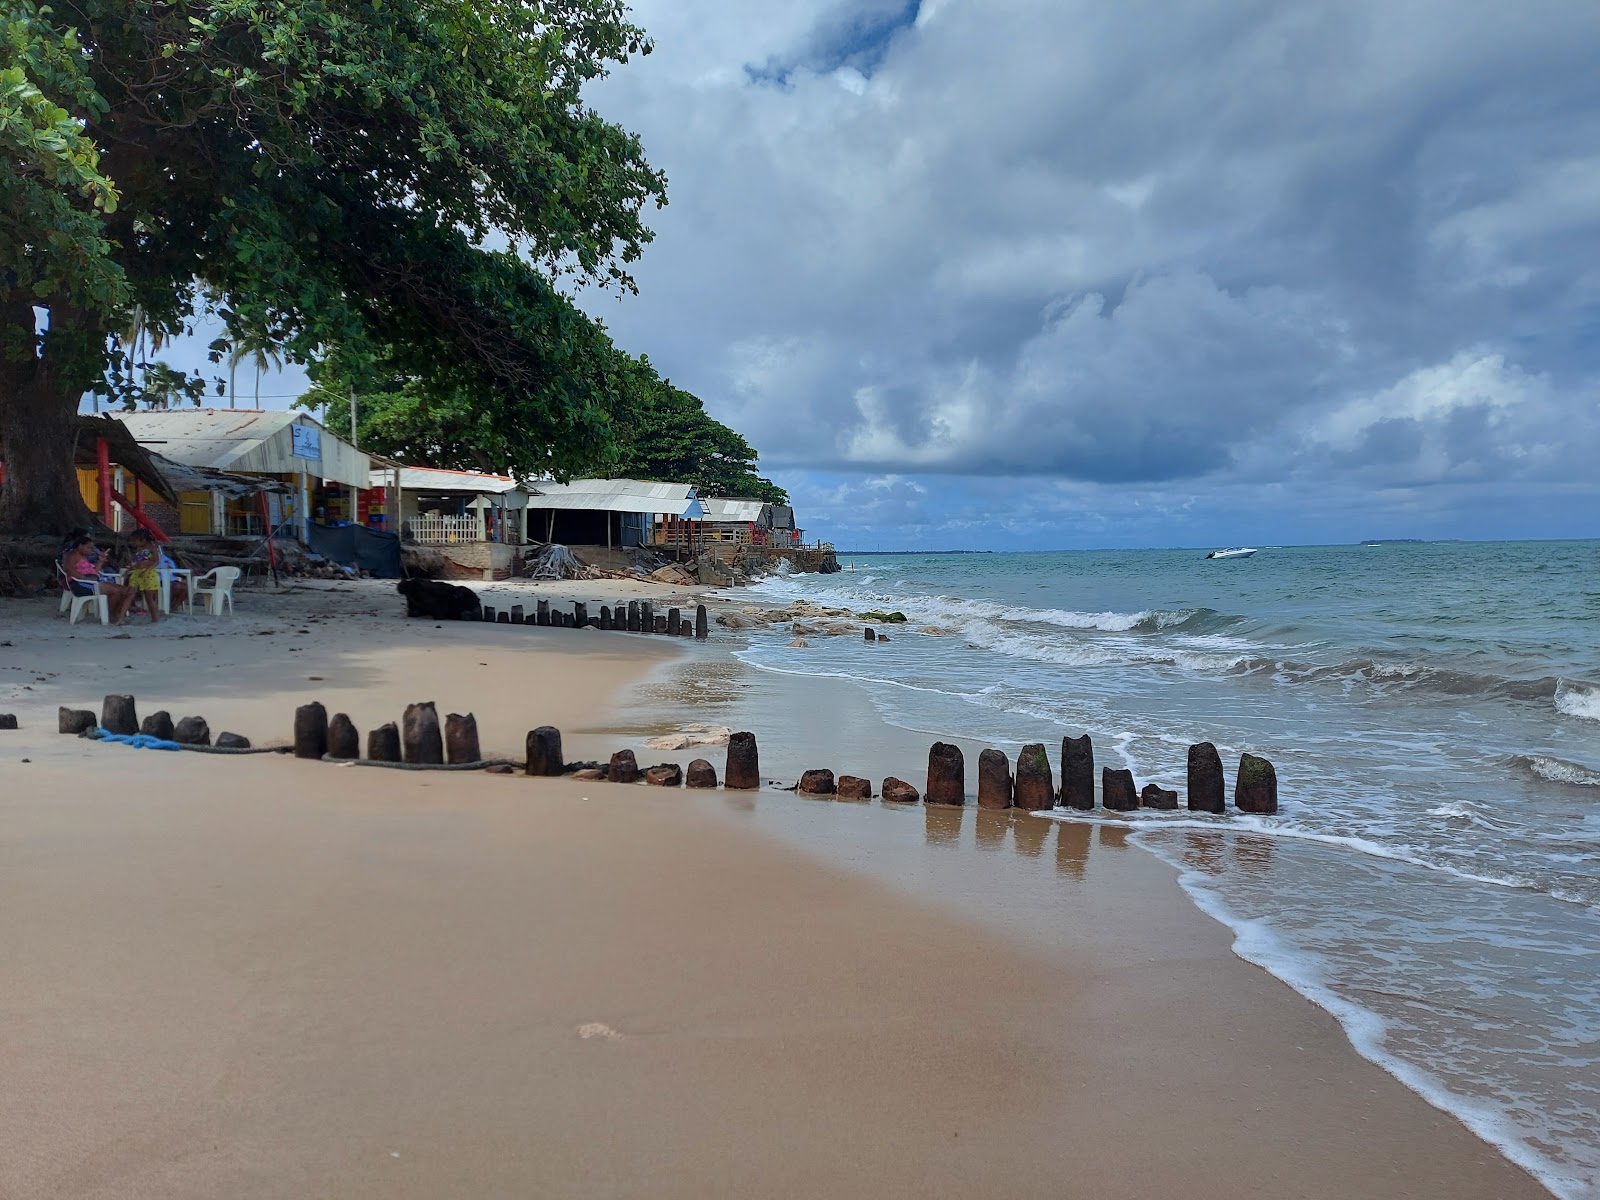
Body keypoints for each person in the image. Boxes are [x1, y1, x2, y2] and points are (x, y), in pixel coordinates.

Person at [61, 534, 136, 623]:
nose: (91, 550)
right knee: (117, 591)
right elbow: (68, 569)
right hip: (81, 585)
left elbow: (94, 571)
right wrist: (85, 578)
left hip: (92, 582)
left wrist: (101, 561)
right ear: (80, 546)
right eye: (88, 548)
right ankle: (113, 616)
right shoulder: (72, 555)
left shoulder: (83, 557)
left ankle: (118, 614)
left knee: (126, 591)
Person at [125, 529, 163, 623]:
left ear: (143, 540)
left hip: (149, 575)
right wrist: (130, 568)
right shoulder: (139, 549)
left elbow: (156, 561)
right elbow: (137, 562)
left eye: (135, 540)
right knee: (131, 593)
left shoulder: (152, 548)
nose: (134, 542)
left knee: (149, 598)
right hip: (138, 573)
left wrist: (147, 570)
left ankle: (154, 619)